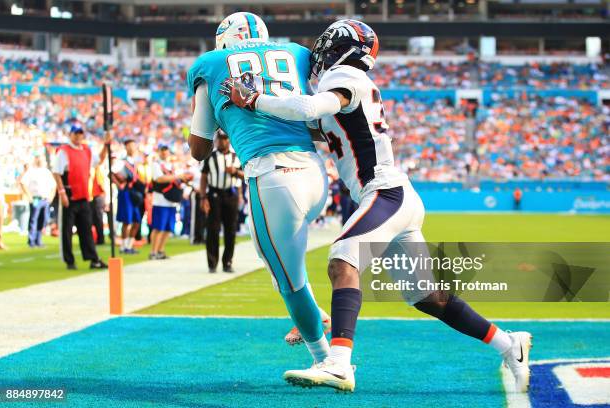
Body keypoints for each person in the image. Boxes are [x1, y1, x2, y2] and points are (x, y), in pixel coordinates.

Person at [222, 19, 532, 393]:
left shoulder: (345, 79)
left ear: (338, 48)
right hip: (394, 196)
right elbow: (317, 125)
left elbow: (306, 106)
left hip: (386, 193)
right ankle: (508, 343)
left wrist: (255, 99)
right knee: (427, 298)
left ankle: (337, 362)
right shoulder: (346, 85)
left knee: (342, 259)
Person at [187, 12, 331, 366]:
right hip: (314, 172)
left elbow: (198, 148)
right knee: (274, 256)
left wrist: (229, 119)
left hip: (273, 176)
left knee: (288, 279)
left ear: (223, 41)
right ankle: (311, 315)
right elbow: (316, 118)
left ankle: (327, 361)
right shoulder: (296, 53)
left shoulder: (210, 64)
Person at [53, 124, 109, 270]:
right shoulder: (64, 152)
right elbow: (57, 172)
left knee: (86, 229)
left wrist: (106, 145)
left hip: (84, 195)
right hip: (69, 194)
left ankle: (93, 258)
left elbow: (100, 160)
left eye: (80, 134)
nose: (78, 136)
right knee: (67, 230)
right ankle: (69, 260)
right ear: (70, 135)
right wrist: (62, 192)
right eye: (75, 134)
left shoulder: (86, 150)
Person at [200, 130, 243, 273]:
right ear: (217, 140)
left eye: (225, 138)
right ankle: (212, 263)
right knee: (212, 230)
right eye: (220, 139)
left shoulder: (236, 157)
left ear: (229, 140)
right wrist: (203, 197)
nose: (222, 141)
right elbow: (204, 177)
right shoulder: (209, 156)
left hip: (231, 195)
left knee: (230, 230)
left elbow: (245, 176)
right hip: (214, 195)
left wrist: (235, 172)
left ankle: (227, 262)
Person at [149, 144, 191, 260]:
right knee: (158, 228)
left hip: (171, 201)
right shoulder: (156, 164)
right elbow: (159, 179)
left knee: (167, 228)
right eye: (162, 151)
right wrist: (177, 176)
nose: (164, 153)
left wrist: (182, 179)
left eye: (166, 151)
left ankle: (160, 250)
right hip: (160, 200)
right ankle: (153, 251)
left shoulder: (171, 166)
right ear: (159, 152)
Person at [113, 139, 144, 254]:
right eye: (130, 146)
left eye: (133, 146)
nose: (132, 148)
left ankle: (130, 245)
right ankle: (123, 246)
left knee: (136, 220)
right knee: (127, 220)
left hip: (134, 192)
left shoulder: (134, 162)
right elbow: (111, 173)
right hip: (126, 192)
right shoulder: (122, 162)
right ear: (126, 148)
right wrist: (119, 185)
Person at [19, 154, 56, 248]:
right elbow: (23, 182)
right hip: (36, 198)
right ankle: (31, 241)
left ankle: (38, 240)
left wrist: (51, 196)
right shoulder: (31, 171)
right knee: (34, 219)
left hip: (45, 199)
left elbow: (53, 185)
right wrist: (29, 195)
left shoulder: (47, 172)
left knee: (43, 219)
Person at [90, 164, 107, 245]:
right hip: (94, 196)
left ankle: (100, 239)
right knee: (95, 219)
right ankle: (98, 238)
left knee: (98, 218)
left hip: (98, 196)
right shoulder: (95, 169)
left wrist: (105, 196)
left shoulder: (98, 169)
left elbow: (101, 184)